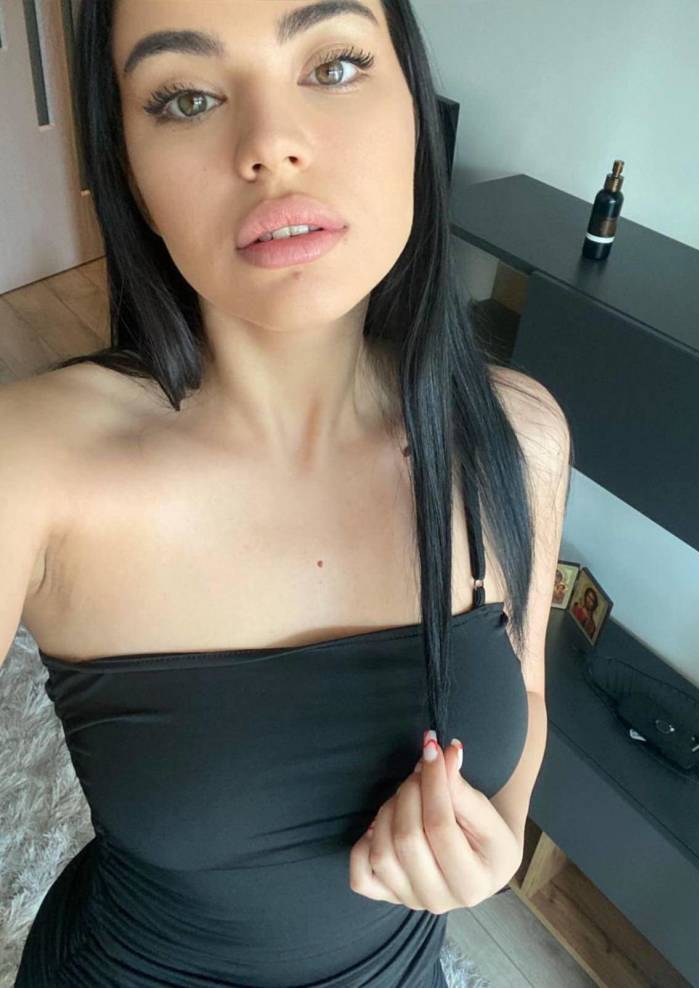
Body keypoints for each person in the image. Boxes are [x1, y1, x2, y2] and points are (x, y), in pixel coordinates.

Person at [2, 2, 573, 985]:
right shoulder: (34, 461)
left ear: (413, 108)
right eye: (185, 98)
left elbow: (523, 690)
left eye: (334, 66)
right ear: (129, 169)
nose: (270, 145)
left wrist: (502, 836)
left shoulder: (514, 438)